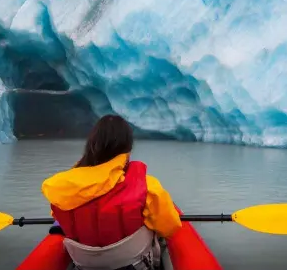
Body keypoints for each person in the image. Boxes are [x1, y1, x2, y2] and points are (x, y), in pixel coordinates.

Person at [41, 114, 182, 270]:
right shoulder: (147, 185)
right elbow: (169, 227)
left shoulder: (63, 187)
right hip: (135, 265)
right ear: (128, 147)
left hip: (84, 265)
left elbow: (59, 218)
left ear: (92, 144)